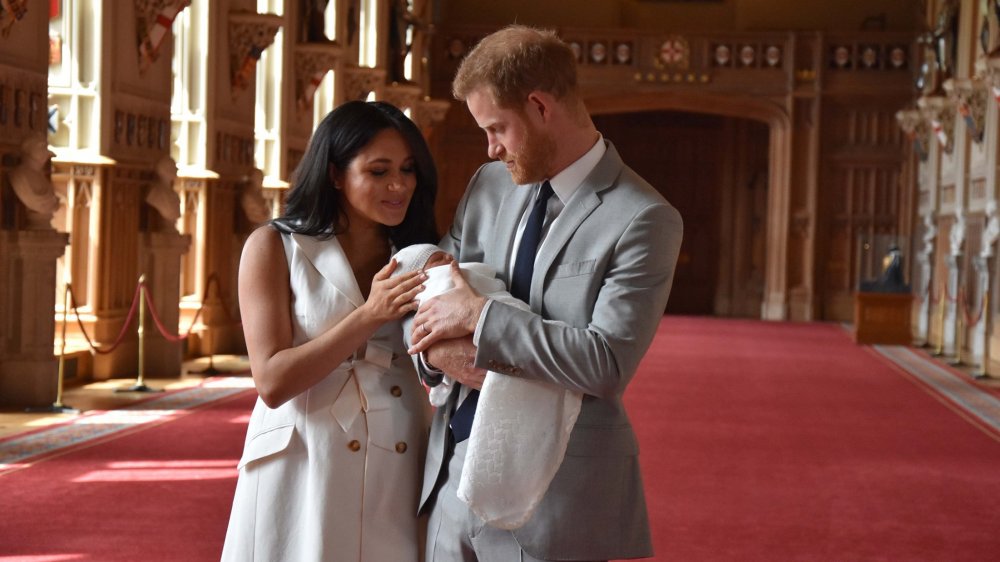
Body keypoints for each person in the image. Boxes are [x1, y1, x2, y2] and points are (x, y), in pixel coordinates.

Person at [407, 25, 684, 562]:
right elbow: (425, 289)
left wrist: (480, 315)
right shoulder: (488, 185)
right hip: (451, 473)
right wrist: (441, 354)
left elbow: (604, 361)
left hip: (558, 497)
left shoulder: (644, 217)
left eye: (497, 128)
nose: (490, 147)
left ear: (538, 106)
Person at [221, 100, 438, 562]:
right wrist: (369, 315)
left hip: (400, 457)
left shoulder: (422, 254)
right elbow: (272, 382)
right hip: (304, 460)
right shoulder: (275, 246)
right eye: (378, 171)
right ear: (336, 173)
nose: (398, 185)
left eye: (407, 169)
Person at [392, 243, 582, 530]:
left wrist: (480, 313)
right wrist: (432, 349)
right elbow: (409, 306)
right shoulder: (476, 201)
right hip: (450, 462)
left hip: (543, 353)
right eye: (437, 260)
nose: (448, 259)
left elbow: (608, 361)